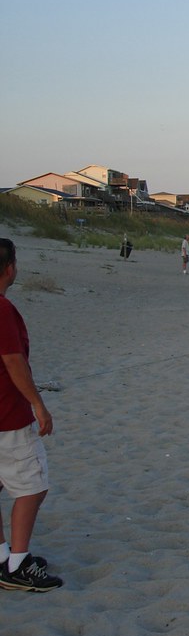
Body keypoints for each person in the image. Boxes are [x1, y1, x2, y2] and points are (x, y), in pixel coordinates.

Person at [0, 238, 63, 591]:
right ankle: (18, 564)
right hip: (7, 416)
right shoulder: (2, 310)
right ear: (10, 268)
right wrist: (38, 404)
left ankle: (2, 557)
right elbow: (13, 361)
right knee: (32, 487)